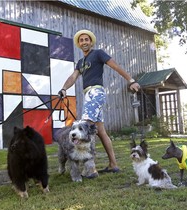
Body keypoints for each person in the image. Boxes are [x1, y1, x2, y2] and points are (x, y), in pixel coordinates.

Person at [58, 29, 140, 173]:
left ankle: (91, 169)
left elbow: (115, 66)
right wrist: (64, 89)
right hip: (88, 94)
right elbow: (73, 77)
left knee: (85, 127)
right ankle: (113, 164)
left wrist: (131, 80)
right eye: (81, 40)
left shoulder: (98, 53)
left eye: (86, 39)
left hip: (96, 92)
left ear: (91, 42)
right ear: (79, 43)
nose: (84, 42)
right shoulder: (80, 62)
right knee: (101, 132)